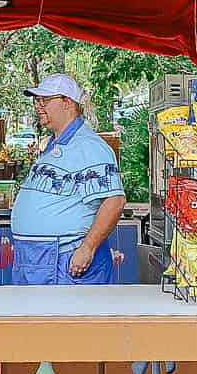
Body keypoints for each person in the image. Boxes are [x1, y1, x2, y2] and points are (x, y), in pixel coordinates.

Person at [9, 74, 124, 285]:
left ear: (67, 103)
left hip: (64, 258)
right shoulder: (55, 145)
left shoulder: (89, 145)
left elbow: (114, 201)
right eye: (37, 101)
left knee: (64, 317)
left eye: (45, 100)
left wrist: (87, 248)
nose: (38, 106)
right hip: (40, 258)